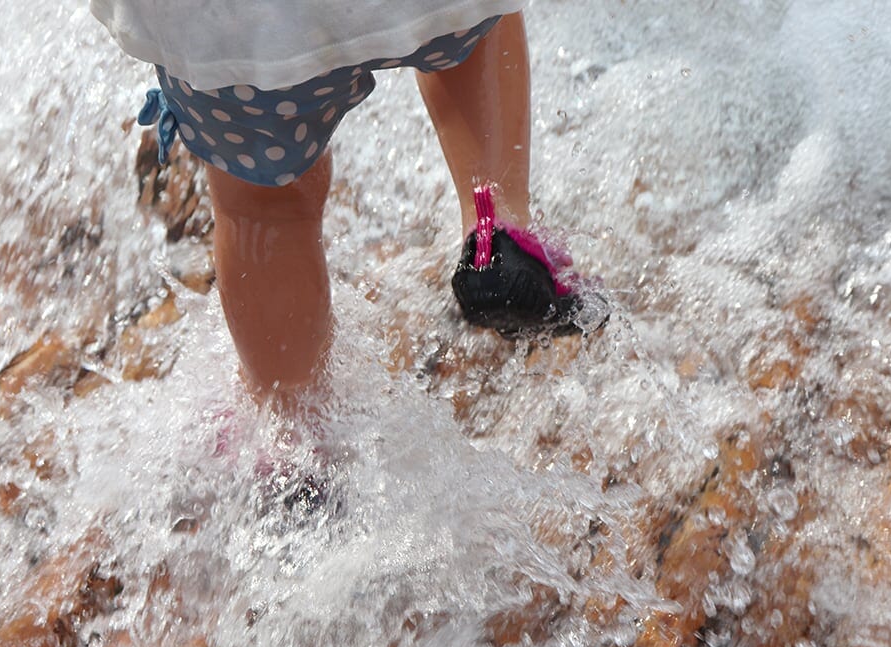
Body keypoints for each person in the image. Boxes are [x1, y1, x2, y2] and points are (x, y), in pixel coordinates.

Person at [91, 1, 591, 400]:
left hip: (231, 31)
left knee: (262, 203)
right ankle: (496, 229)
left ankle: (292, 442)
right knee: (468, 18)